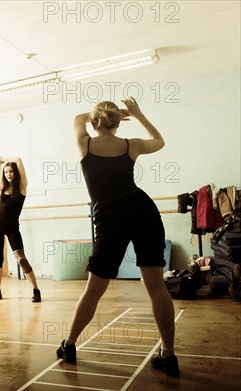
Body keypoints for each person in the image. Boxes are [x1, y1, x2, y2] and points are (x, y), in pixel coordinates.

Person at [57, 98, 179, 377]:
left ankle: (70, 344)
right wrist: (137, 113)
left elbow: (78, 117)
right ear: (118, 122)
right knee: (156, 286)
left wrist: (102, 114)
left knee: (94, 289)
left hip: (111, 221)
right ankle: (169, 355)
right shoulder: (130, 145)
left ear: (97, 121)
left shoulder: (84, 143)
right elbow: (159, 140)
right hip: (143, 213)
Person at [0, 156, 41, 302]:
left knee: (22, 260)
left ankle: (36, 290)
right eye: (6, 172)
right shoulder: (2, 188)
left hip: (13, 227)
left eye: (11, 171)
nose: (8, 174)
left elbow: (19, 159)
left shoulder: (22, 187)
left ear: (15, 173)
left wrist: (4, 158)